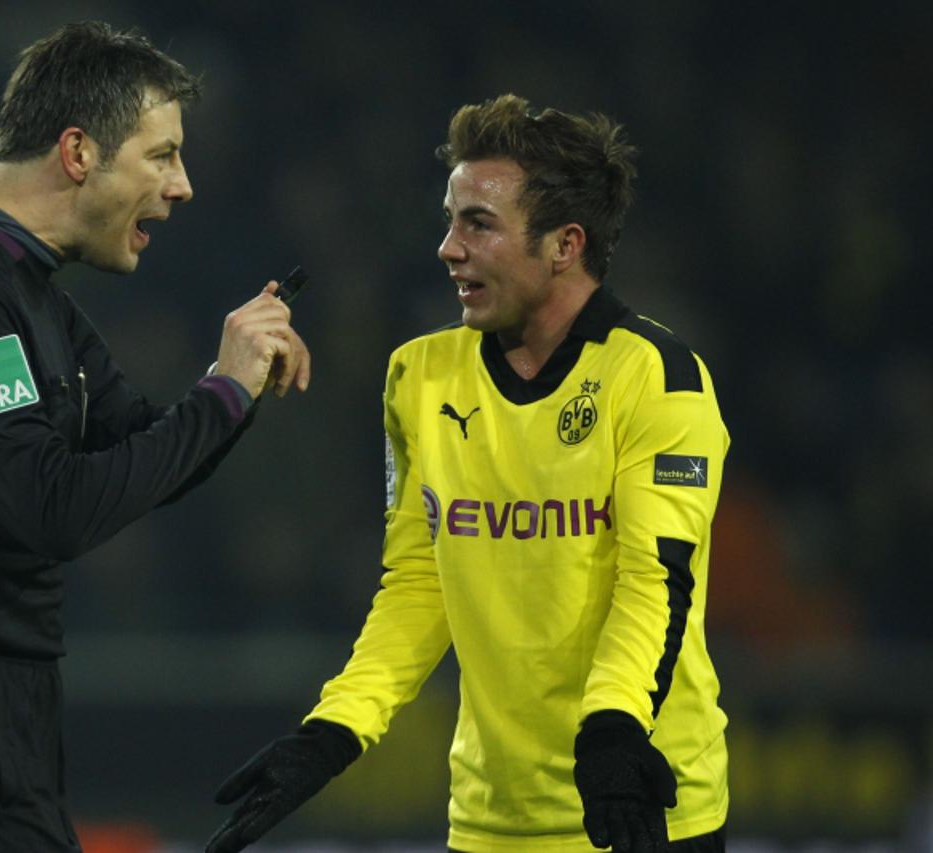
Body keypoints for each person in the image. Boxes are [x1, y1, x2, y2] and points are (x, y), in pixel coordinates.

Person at [0, 22, 310, 852]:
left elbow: (142, 446)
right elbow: (53, 508)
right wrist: (221, 391)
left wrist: (236, 387)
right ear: (79, 152)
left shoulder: (29, 295)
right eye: (162, 155)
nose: (183, 186)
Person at [207, 94, 728, 853]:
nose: (448, 248)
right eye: (450, 221)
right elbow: (420, 581)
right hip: (490, 821)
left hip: (642, 800)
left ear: (564, 244)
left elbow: (655, 582)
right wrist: (333, 731)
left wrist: (614, 731)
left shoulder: (658, 377)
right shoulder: (418, 376)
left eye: (478, 224)